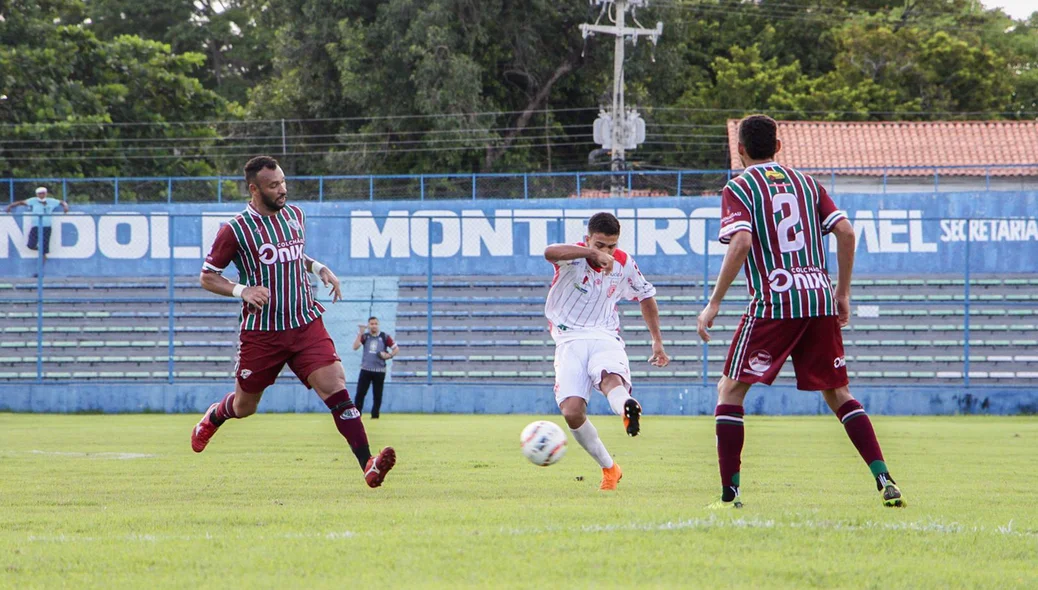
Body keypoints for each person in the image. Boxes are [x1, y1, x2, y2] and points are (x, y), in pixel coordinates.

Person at [696, 114, 904, 509]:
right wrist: (841, 292)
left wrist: (715, 301)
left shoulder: (739, 187)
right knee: (839, 392)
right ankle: (885, 478)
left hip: (776, 301)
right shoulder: (808, 184)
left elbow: (740, 242)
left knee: (730, 390)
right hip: (820, 299)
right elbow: (845, 231)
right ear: (779, 145)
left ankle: (729, 496)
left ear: (740, 149)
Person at [190, 155, 396, 488]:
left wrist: (319, 268)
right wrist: (242, 290)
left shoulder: (295, 215)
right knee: (245, 406)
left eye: (283, 181)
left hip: (304, 324)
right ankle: (215, 416)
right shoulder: (235, 229)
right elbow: (207, 276)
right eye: (274, 185)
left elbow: (292, 252)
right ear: (255, 189)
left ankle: (368, 465)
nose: (282, 189)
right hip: (263, 334)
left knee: (337, 388)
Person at [543, 212, 670, 491]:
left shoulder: (624, 263)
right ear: (588, 238)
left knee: (610, 378)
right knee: (572, 412)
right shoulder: (573, 256)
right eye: (600, 244)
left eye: (611, 246)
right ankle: (610, 468)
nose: (607, 252)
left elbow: (646, 296)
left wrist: (657, 341)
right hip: (569, 339)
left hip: (605, 335)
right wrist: (591, 253)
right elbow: (549, 252)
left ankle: (627, 407)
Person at [4, 186, 69, 266]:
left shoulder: (51, 201)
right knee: (30, 245)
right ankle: (41, 250)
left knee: (44, 248)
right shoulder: (33, 200)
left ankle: (41, 268)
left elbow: (61, 202)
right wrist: (10, 206)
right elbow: (21, 202)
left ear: (46, 193)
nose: (41, 195)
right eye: (39, 194)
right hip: (36, 226)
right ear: (37, 194)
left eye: (43, 193)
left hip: (46, 227)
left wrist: (65, 206)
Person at [351, 316, 399, 419]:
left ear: (378, 325)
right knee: (360, 393)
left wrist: (389, 355)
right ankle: (357, 415)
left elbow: (396, 349)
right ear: (368, 325)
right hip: (366, 369)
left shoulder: (384, 337)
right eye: (371, 324)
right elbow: (355, 347)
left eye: (376, 324)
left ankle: (375, 415)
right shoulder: (365, 337)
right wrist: (360, 333)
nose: (374, 326)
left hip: (379, 370)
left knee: (377, 395)